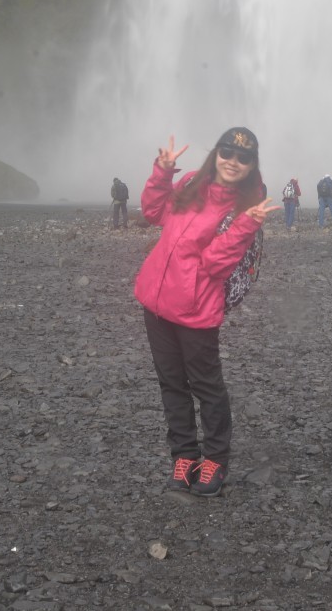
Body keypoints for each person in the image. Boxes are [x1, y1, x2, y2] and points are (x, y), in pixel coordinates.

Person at [134, 127, 277, 497]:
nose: (233, 161)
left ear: (251, 166)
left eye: (243, 158)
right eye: (227, 152)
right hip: (157, 302)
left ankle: (215, 459)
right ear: (216, 154)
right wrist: (163, 173)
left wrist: (245, 226)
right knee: (171, 384)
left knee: (207, 388)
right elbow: (153, 212)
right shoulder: (192, 188)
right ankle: (184, 456)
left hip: (197, 310)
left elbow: (214, 265)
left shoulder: (246, 209)